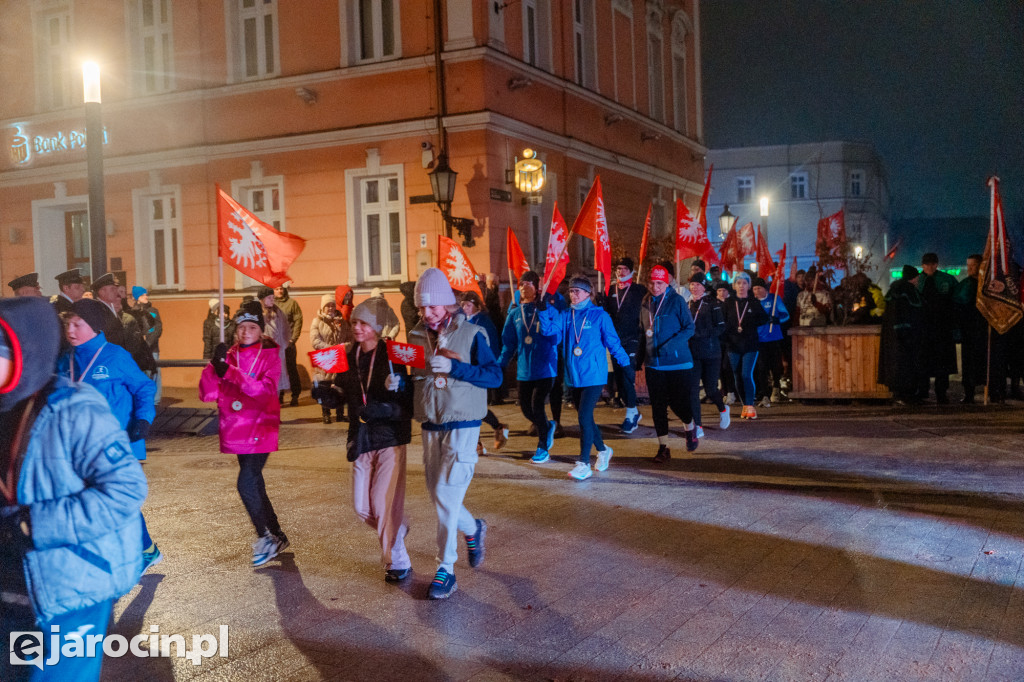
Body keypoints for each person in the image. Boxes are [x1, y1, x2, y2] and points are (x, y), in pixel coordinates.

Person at [0, 297, 147, 682]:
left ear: (25, 351)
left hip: (71, 588)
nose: (72, 329)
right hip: (10, 586)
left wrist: (35, 524)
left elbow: (126, 490)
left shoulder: (75, 408)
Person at [408, 268, 501, 599]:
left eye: (432, 306)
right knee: (439, 495)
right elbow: (417, 377)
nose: (427, 313)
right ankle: (473, 528)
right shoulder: (416, 335)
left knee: (446, 494)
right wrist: (398, 384)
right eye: (422, 307)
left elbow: (494, 376)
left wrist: (455, 368)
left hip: (463, 423)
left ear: (447, 304)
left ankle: (446, 569)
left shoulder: (473, 334)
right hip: (430, 424)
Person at [56, 298, 161, 569]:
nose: (70, 330)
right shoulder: (66, 360)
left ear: (94, 326)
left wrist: (143, 419)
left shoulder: (114, 356)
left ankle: (143, 551)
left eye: (77, 324)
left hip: (118, 442)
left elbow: (144, 387)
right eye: (68, 324)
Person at [316, 298, 414, 582]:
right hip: (360, 437)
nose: (357, 327)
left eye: (363, 323)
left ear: (377, 327)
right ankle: (397, 529)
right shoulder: (347, 355)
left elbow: (408, 403)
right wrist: (327, 395)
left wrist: (389, 403)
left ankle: (397, 562)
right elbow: (342, 393)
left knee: (382, 505)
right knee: (361, 508)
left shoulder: (393, 356)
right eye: (355, 322)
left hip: (389, 438)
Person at [199, 301, 289, 567]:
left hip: (261, 426)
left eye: (252, 327)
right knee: (255, 483)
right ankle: (277, 534)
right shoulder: (229, 355)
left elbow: (264, 391)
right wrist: (214, 366)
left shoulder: (270, 355)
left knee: (246, 483)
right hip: (236, 429)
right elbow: (207, 393)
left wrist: (230, 372)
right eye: (241, 327)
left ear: (260, 330)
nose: (246, 332)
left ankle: (265, 538)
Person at [541, 273, 632, 480]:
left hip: (594, 375)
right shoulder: (566, 315)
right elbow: (550, 334)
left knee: (583, 417)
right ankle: (603, 450)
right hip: (574, 375)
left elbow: (613, 342)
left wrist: (626, 364)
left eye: (577, 291)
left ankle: (583, 463)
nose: (573, 295)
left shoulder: (600, 316)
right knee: (587, 418)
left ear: (588, 293)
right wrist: (543, 310)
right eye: (571, 291)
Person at [497, 270, 560, 462]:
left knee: (537, 405)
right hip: (524, 370)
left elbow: (555, 338)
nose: (524, 287)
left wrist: (543, 312)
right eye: (522, 284)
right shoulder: (515, 313)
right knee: (526, 408)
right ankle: (547, 426)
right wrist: (500, 364)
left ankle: (542, 448)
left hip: (545, 368)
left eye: (529, 283)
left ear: (537, 287)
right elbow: (508, 343)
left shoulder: (549, 310)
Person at [639, 265, 698, 463]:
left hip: (677, 363)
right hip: (654, 364)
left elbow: (689, 328)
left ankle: (690, 425)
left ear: (667, 283)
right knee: (658, 407)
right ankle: (663, 447)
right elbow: (643, 331)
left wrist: (670, 345)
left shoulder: (677, 300)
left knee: (678, 404)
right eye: (652, 283)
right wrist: (639, 359)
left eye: (659, 283)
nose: (655, 287)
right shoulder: (646, 302)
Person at [460, 290, 509, 452]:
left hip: (479, 370)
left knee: (473, 408)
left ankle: (479, 442)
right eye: (463, 305)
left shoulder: (483, 322)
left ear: (477, 306)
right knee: (470, 407)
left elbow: (490, 347)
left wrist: (489, 369)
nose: (465, 308)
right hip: (467, 370)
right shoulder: (462, 322)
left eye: (468, 305)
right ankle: (495, 429)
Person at [602, 257, 646, 432]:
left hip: (632, 339)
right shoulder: (609, 290)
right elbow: (607, 314)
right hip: (615, 340)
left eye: (625, 269)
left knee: (628, 375)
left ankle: (630, 414)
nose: (621, 272)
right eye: (618, 269)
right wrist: (601, 304)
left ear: (631, 271)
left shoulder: (639, 290)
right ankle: (633, 410)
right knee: (620, 380)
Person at [686, 273, 729, 440]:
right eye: (692, 284)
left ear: (704, 287)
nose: (694, 287)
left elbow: (721, 327)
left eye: (698, 284)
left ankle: (723, 409)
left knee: (710, 389)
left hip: (711, 353)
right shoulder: (686, 303)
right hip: (692, 353)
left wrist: (702, 334)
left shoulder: (712, 303)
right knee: (692, 390)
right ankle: (697, 425)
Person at [723, 271, 770, 419]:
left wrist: (749, 324)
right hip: (733, 344)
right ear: (734, 285)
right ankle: (744, 405)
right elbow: (723, 321)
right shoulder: (729, 302)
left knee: (746, 374)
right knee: (737, 375)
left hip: (750, 344)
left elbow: (764, 318)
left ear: (749, 285)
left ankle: (750, 405)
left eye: (744, 283)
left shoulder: (753, 302)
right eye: (738, 283)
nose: (741, 286)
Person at [916, 253, 958, 403]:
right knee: (923, 361)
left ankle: (941, 392)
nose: (930, 267)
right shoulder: (917, 280)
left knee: (942, 362)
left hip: (942, 328)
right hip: (923, 328)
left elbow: (956, 301)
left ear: (936, 264)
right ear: (922, 265)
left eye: (932, 264)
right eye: (927, 264)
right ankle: (922, 390)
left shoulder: (947, 279)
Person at [879, 266, 924, 404]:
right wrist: (906, 332)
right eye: (917, 278)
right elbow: (905, 314)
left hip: (893, 337)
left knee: (897, 365)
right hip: (905, 336)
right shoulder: (907, 291)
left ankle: (899, 394)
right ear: (913, 278)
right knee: (905, 366)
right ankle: (904, 395)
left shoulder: (894, 290)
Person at [309, 294, 352, 423]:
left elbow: (350, 338)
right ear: (323, 307)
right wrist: (330, 348)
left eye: (332, 305)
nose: (330, 308)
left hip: (339, 357)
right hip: (325, 358)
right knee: (325, 386)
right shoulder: (317, 321)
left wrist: (344, 347)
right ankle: (326, 414)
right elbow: (315, 341)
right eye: (327, 305)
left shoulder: (342, 321)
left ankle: (340, 414)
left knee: (340, 385)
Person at [752, 277, 790, 407]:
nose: (756, 291)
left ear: (764, 289)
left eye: (759, 288)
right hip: (759, 338)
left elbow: (786, 315)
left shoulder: (774, 299)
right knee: (761, 366)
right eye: (754, 288)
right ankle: (764, 394)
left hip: (774, 337)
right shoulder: (753, 302)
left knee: (775, 365)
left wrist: (777, 320)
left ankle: (776, 387)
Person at [954, 254, 987, 404]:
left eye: (973, 265)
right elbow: (957, 307)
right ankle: (969, 393)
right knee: (969, 363)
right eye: (968, 265)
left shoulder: (987, 285)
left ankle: (993, 391)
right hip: (969, 331)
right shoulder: (964, 285)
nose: (969, 268)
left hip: (984, 330)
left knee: (986, 361)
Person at [258, 286, 292, 405]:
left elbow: (286, 329)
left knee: (276, 381)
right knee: (265, 380)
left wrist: (284, 344)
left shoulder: (278, 312)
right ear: (262, 299)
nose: (272, 299)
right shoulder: (258, 313)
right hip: (264, 353)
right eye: (269, 298)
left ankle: (274, 407)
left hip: (278, 352)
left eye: (273, 297)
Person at [132, 286, 163, 403]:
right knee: (142, 373)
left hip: (152, 349)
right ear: (137, 298)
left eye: (146, 294)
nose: (146, 297)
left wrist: (147, 343)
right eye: (142, 295)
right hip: (139, 350)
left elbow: (157, 328)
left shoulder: (153, 311)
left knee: (155, 372)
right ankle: (143, 399)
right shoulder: (133, 312)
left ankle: (156, 400)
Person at [274, 285, 304, 406]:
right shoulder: (271, 305)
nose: (279, 291)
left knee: (291, 369)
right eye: (277, 289)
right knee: (278, 370)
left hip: (288, 342)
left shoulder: (292, 303)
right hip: (275, 344)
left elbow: (298, 321)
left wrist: (293, 339)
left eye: (281, 288)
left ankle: (295, 395)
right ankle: (279, 395)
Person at [715, 280, 737, 404]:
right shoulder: (714, 304)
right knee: (720, 367)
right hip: (718, 340)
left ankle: (731, 391)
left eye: (724, 290)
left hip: (730, 340)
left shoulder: (732, 303)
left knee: (727, 366)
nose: (722, 293)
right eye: (719, 290)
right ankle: (724, 391)